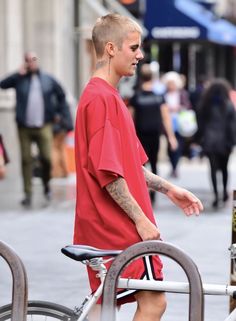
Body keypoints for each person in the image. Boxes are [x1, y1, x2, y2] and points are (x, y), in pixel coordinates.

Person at [73, 13, 203, 321]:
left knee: (105, 307)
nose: (140, 55)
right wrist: (141, 220)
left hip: (102, 224)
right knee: (153, 303)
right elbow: (109, 175)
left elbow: (129, 166)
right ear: (110, 49)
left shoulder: (103, 96)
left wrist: (170, 188)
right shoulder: (103, 99)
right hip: (117, 227)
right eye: (134, 47)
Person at [0, 51, 69, 207]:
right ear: (25, 62)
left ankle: (46, 186)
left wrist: (59, 114)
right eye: (28, 60)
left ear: (37, 61)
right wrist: (17, 74)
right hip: (24, 126)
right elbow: (2, 84)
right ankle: (28, 194)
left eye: (33, 59)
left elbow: (61, 95)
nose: (31, 62)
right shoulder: (19, 79)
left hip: (44, 125)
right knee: (26, 160)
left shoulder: (48, 80)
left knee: (46, 158)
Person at [129, 63, 177, 203]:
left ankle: (142, 191)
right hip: (155, 134)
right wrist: (171, 137)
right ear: (152, 78)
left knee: (140, 165)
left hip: (140, 135)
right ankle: (154, 193)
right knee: (155, 163)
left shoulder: (136, 97)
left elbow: (130, 119)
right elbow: (166, 118)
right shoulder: (159, 97)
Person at [196, 78, 236, 208]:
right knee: (224, 169)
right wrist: (232, 142)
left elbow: (200, 125)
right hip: (225, 142)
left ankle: (216, 195)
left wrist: (198, 140)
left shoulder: (205, 105)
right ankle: (224, 192)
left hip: (210, 141)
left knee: (212, 169)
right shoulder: (229, 105)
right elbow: (232, 126)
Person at [162, 71, 192, 177]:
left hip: (180, 123)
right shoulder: (164, 94)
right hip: (167, 122)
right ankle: (173, 165)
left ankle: (175, 166)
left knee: (178, 145)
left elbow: (187, 106)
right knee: (170, 145)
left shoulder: (182, 93)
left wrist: (178, 108)